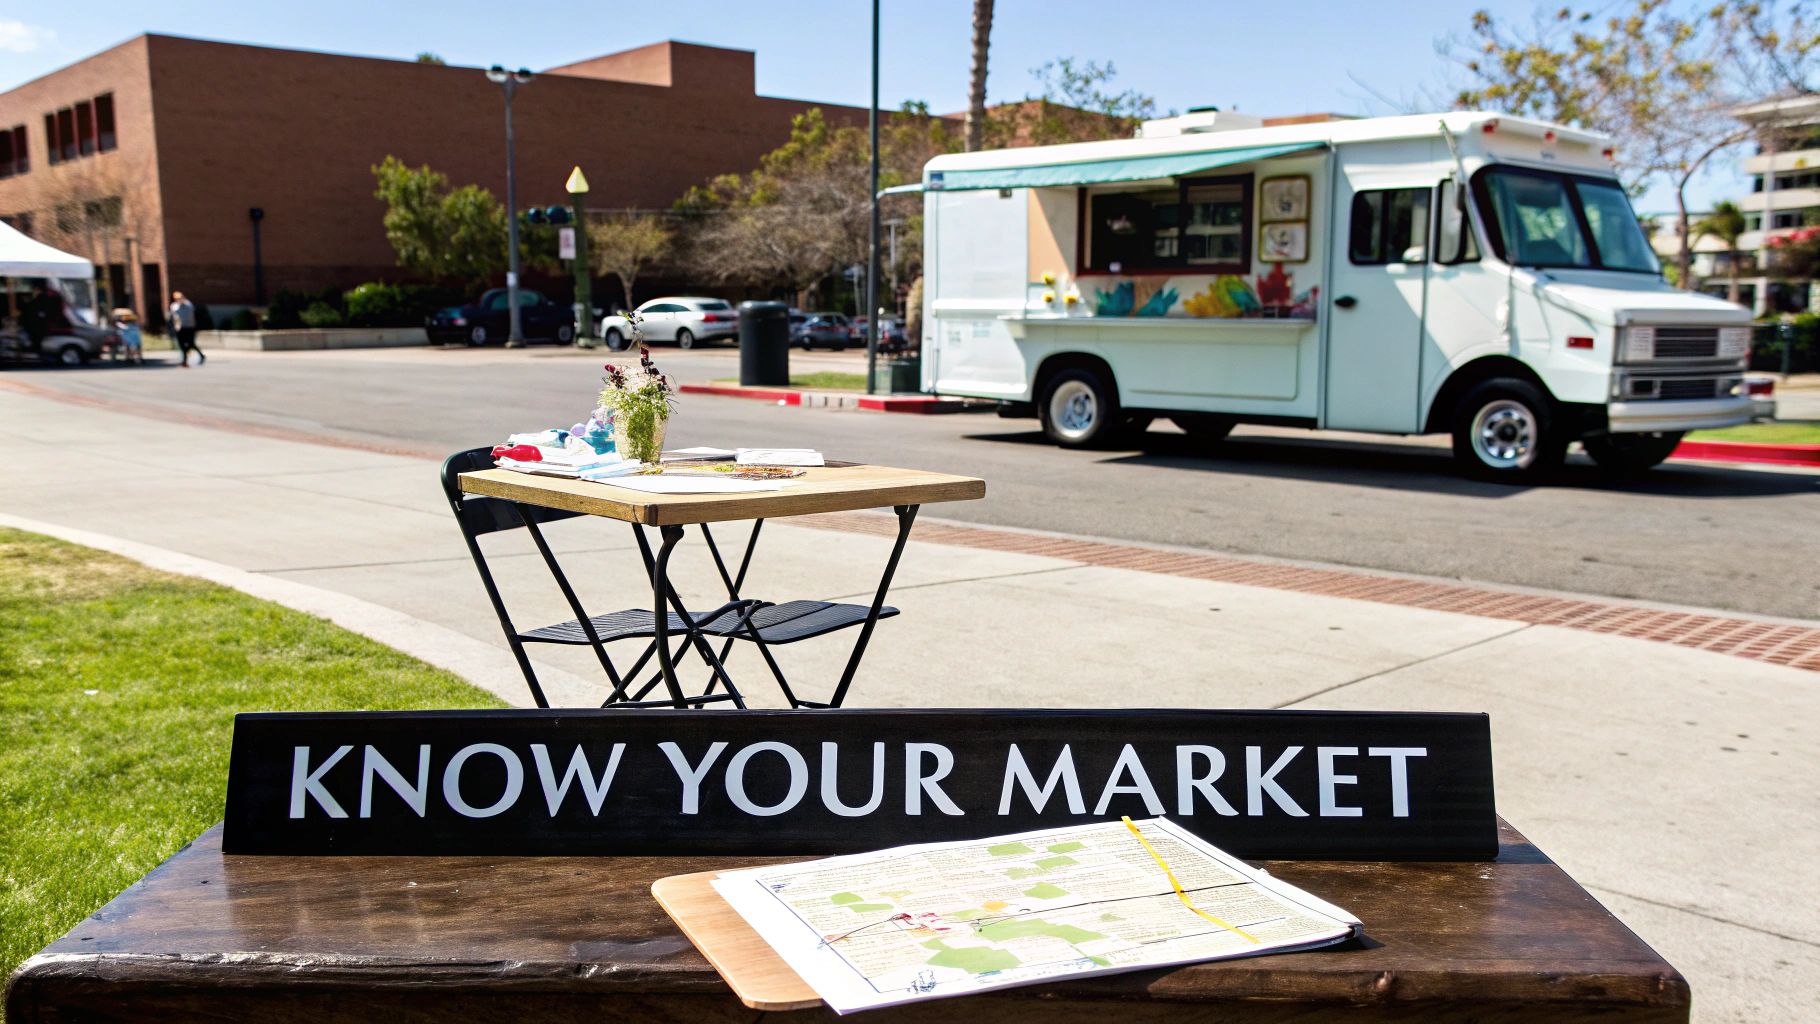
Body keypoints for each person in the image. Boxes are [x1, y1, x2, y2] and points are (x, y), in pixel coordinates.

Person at [169, 290, 202, 367]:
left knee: (190, 343)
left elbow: (192, 314)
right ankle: (185, 360)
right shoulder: (174, 306)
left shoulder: (189, 304)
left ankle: (188, 358)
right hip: (180, 328)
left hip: (190, 327)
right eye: (177, 298)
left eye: (180, 298)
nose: (179, 300)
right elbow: (175, 317)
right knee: (182, 345)